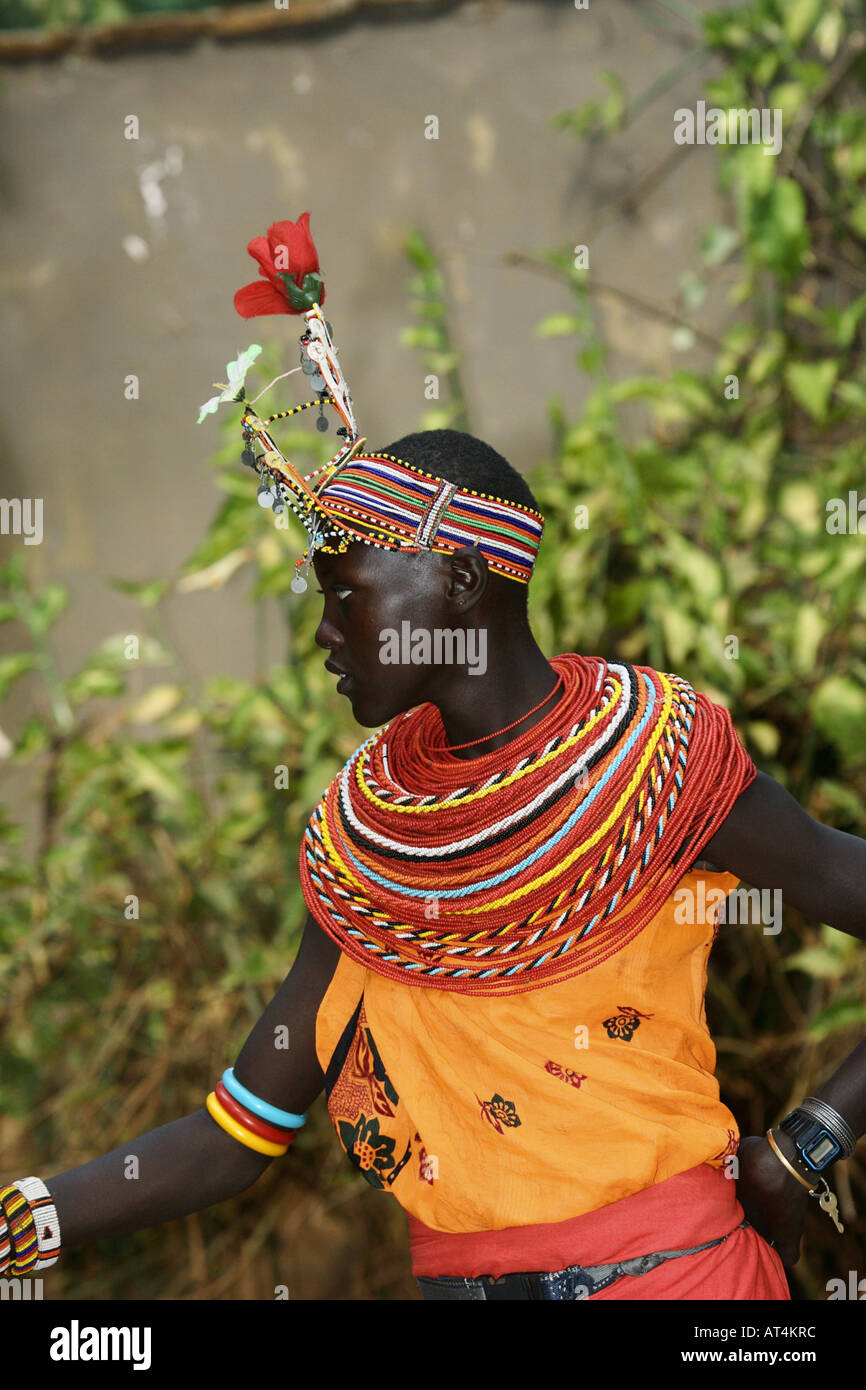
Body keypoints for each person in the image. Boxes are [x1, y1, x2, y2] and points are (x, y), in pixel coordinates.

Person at [4, 218, 863, 1299]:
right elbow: (237, 1129)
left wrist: (804, 1149)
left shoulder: (653, 765)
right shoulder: (373, 851)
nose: (323, 631)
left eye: (344, 593)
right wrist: (28, 1216)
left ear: (458, 583)